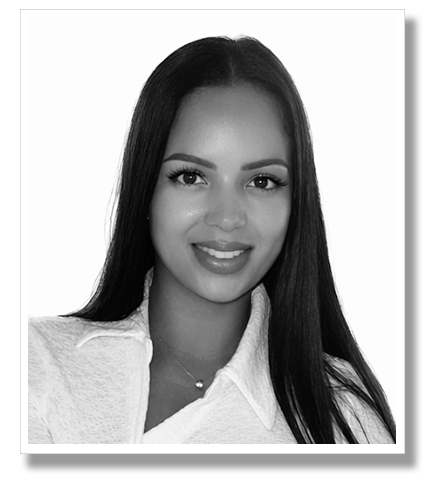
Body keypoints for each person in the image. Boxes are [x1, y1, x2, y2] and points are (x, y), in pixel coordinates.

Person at [28, 36, 396, 444]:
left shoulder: (346, 422)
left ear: (296, 202)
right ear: (146, 189)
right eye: (191, 176)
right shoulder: (32, 364)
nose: (227, 218)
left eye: (262, 181)